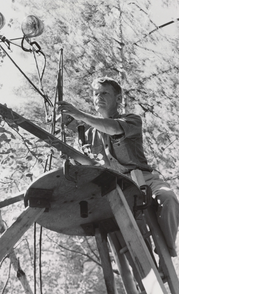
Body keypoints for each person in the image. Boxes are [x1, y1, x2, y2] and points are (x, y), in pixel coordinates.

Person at [56, 77, 179, 258]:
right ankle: (147, 270)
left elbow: (113, 129)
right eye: (96, 94)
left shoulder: (131, 120)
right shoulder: (86, 135)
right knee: (129, 230)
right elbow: (81, 166)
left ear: (118, 99)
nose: (99, 97)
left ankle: (166, 252)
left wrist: (79, 115)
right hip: (116, 188)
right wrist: (65, 150)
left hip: (143, 179)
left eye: (105, 93)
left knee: (168, 198)